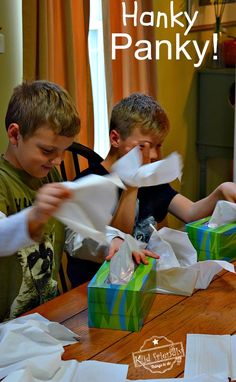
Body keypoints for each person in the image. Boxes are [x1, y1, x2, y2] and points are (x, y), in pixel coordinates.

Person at [67, 93, 236, 287]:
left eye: (158, 145)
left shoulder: (151, 180)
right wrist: (132, 185)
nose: (154, 155)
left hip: (142, 281)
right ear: (115, 138)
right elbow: (120, 240)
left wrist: (220, 192)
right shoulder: (90, 184)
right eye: (143, 147)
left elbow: (190, 213)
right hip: (99, 289)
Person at [0, 80, 80, 321]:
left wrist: (110, 241)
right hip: (8, 329)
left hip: (46, 316)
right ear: (15, 134)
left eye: (64, 151)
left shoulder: (50, 174)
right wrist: (35, 216)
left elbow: (73, 229)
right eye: (47, 151)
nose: (57, 161)